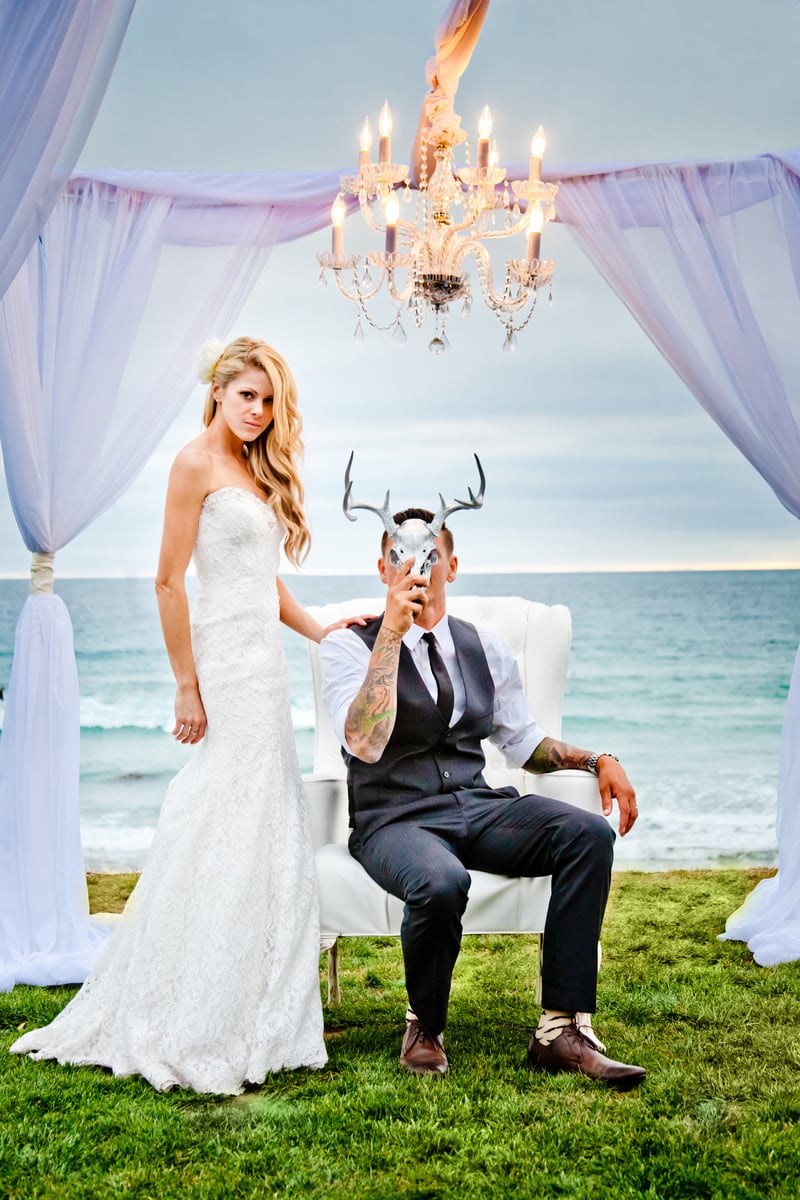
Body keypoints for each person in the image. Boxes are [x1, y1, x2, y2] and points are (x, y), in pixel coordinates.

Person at [12, 336, 353, 1094]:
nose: (259, 411)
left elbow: (265, 583)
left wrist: (322, 631)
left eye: (269, 400)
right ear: (218, 391)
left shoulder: (258, 467)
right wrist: (186, 685)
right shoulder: (192, 464)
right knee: (219, 810)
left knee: (263, 816)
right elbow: (168, 583)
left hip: (264, 667)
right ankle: (192, 997)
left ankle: (256, 996)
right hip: (222, 665)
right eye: (247, 396)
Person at [318, 507, 646, 1089]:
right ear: (383, 568)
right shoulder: (346, 645)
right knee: (442, 882)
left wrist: (598, 759)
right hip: (392, 819)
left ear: (451, 566)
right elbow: (363, 742)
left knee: (587, 834)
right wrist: (390, 634)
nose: (415, 568)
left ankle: (560, 1030)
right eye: (400, 557)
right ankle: (425, 1026)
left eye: (429, 556)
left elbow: (523, 743)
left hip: (476, 804)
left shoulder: (484, 647)